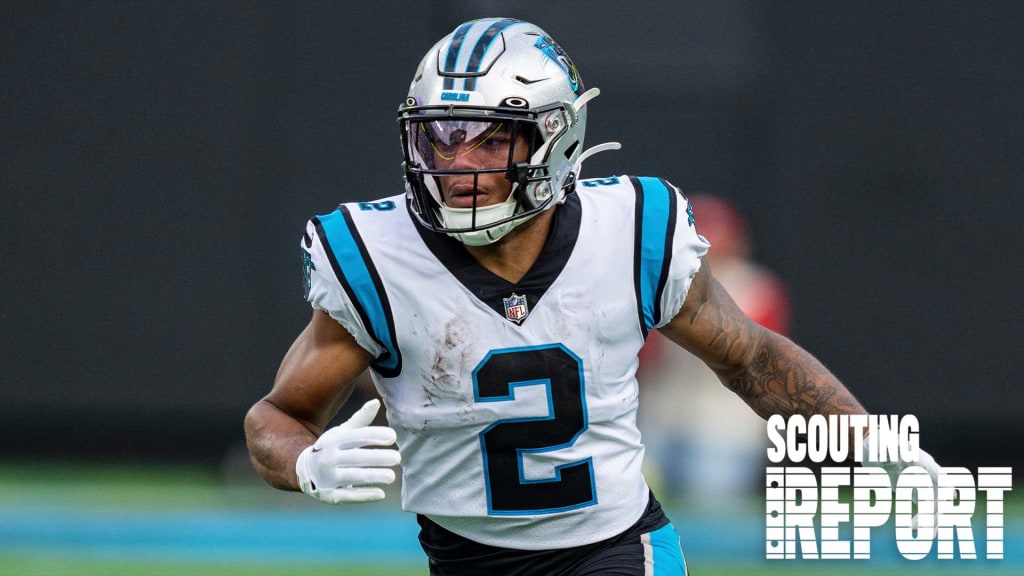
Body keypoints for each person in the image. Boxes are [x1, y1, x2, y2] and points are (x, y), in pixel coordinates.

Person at [244, 18, 937, 575]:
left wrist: (870, 440)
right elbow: (279, 415)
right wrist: (303, 462)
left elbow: (750, 358)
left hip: (615, 552)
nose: (458, 165)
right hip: (460, 560)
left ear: (557, 137)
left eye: (491, 141)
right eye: (441, 137)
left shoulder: (631, 232)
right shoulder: (375, 252)